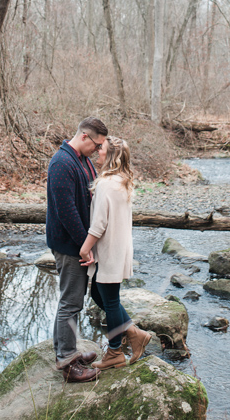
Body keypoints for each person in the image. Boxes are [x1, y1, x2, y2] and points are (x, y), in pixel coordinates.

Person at [79, 136, 152, 369]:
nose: (98, 151)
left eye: (102, 149)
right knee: (100, 297)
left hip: (109, 249)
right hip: (119, 248)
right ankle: (134, 333)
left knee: (109, 302)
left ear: (111, 156)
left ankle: (114, 353)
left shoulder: (106, 184)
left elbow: (99, 224)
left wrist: (85, 247)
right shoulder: (121, 181)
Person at [46, 116, 107, 382]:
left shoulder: (81, 160)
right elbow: (67, 211)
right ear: (84, 137)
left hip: (78, 243)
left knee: (74, 301)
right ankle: (68, 364)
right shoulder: (62, 163)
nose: (98, 150)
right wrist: (85, 246)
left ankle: (67, 351)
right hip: (69, 245)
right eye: (97, 144)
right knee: (70, 303)